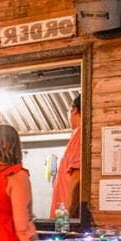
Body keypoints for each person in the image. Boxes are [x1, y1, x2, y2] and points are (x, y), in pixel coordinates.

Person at [50, 94, 83, 225]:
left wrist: (63, 223)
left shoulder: (80, 134)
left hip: (66, 222)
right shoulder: (80, 135)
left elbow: (77, 180)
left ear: (74, 110)